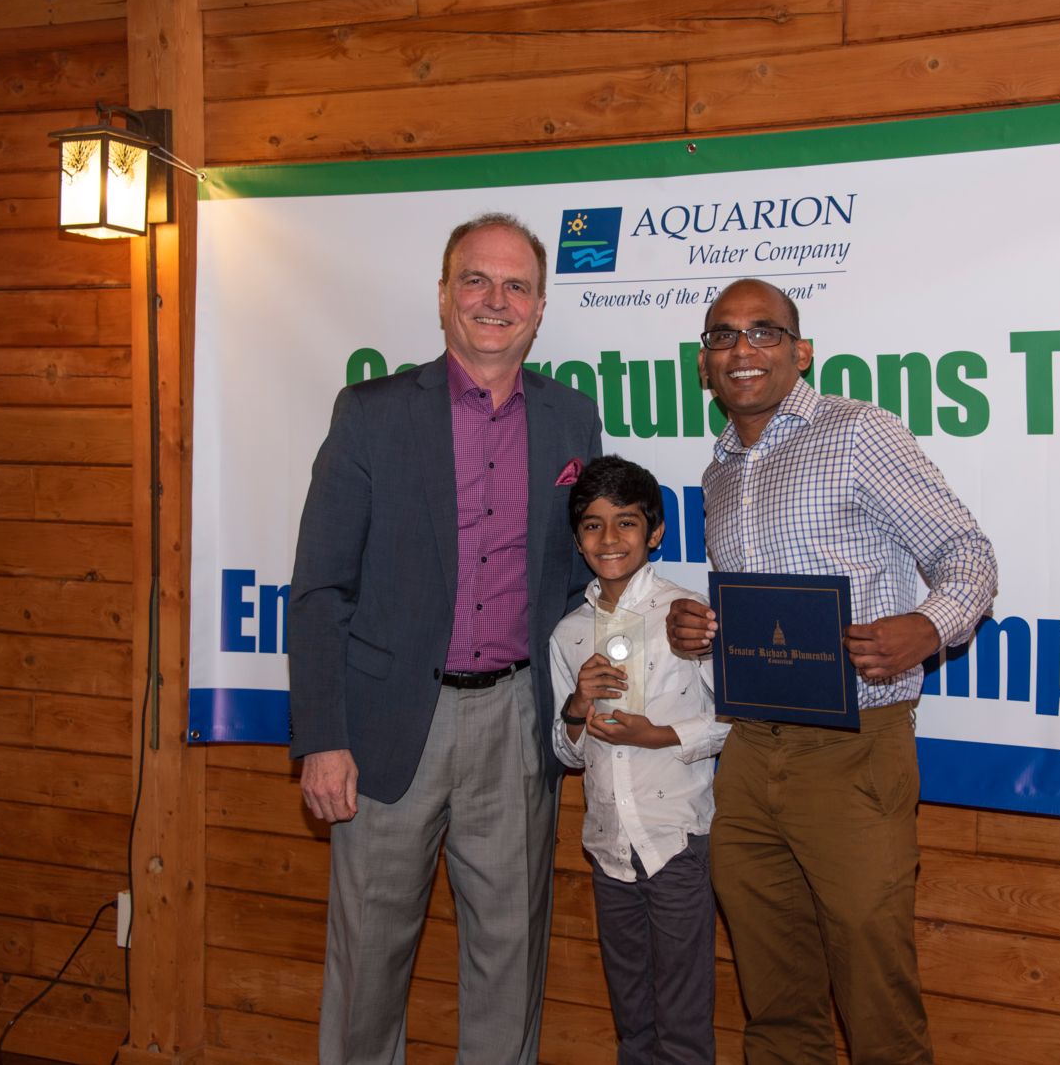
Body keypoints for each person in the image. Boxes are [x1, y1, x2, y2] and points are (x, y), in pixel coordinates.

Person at [288, 213, 603, 1064]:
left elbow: (576, 581)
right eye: (476, 280)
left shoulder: (573, 419)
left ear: (540, 308)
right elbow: (319, 589)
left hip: (517, 723)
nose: (495, 300)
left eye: (516, 286)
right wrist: (323, 739)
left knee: (510, 963)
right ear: (442, 296)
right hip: (389, 730)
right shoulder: (371, 414)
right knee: (367, 969)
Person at [667, 279, 997, 1064]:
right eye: (722, 336)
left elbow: (966, 553)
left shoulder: (857, 433)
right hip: (749, 753)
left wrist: (928, 626)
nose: (742, 349)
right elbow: (766, 617)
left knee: (875, 995)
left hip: (854, 750)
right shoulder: (719, 472)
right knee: (775, 997)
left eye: (763, 331)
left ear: (801, 351)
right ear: (706, 363)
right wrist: (703, 630)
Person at [548, 455, 729, 1065]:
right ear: (578, 538)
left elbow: (734, 719)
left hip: (675, 841)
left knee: (682, 1023)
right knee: (632, 1021)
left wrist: (661, 736)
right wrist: (578, 705)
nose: (609, 539)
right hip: (607, 847)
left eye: (625, 522)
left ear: (654, 533)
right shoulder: (569, 633)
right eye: (592, 525)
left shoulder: (688, 614)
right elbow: (567, 750)